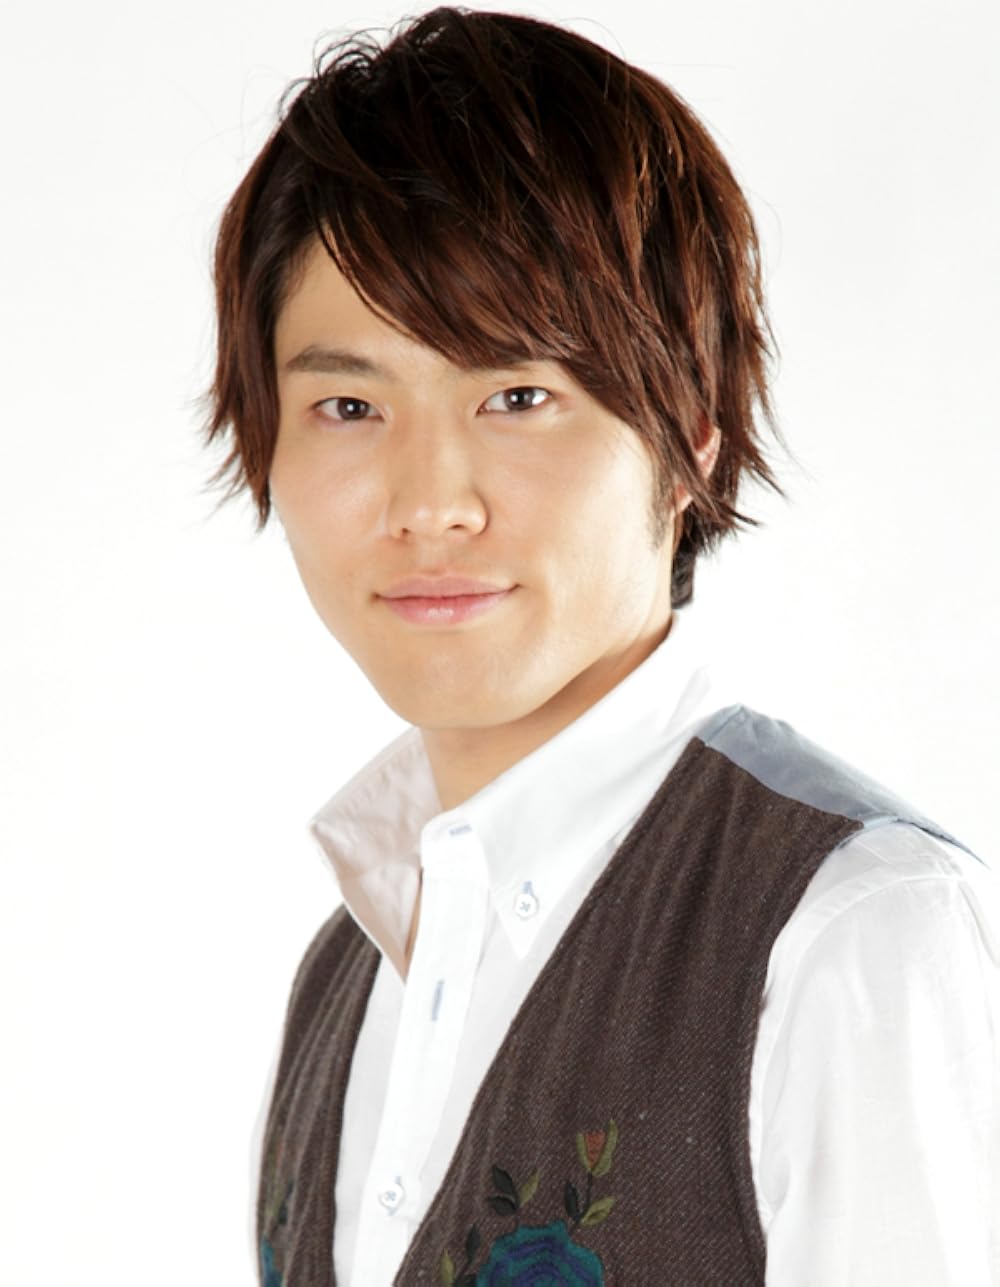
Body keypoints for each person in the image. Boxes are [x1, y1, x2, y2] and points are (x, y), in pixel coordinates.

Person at [201, 8, 999, 1284]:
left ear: (688, 440)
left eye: (517, 396)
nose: (429, 502)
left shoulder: (848, 931)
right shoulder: (345, 976)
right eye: (348, 404)